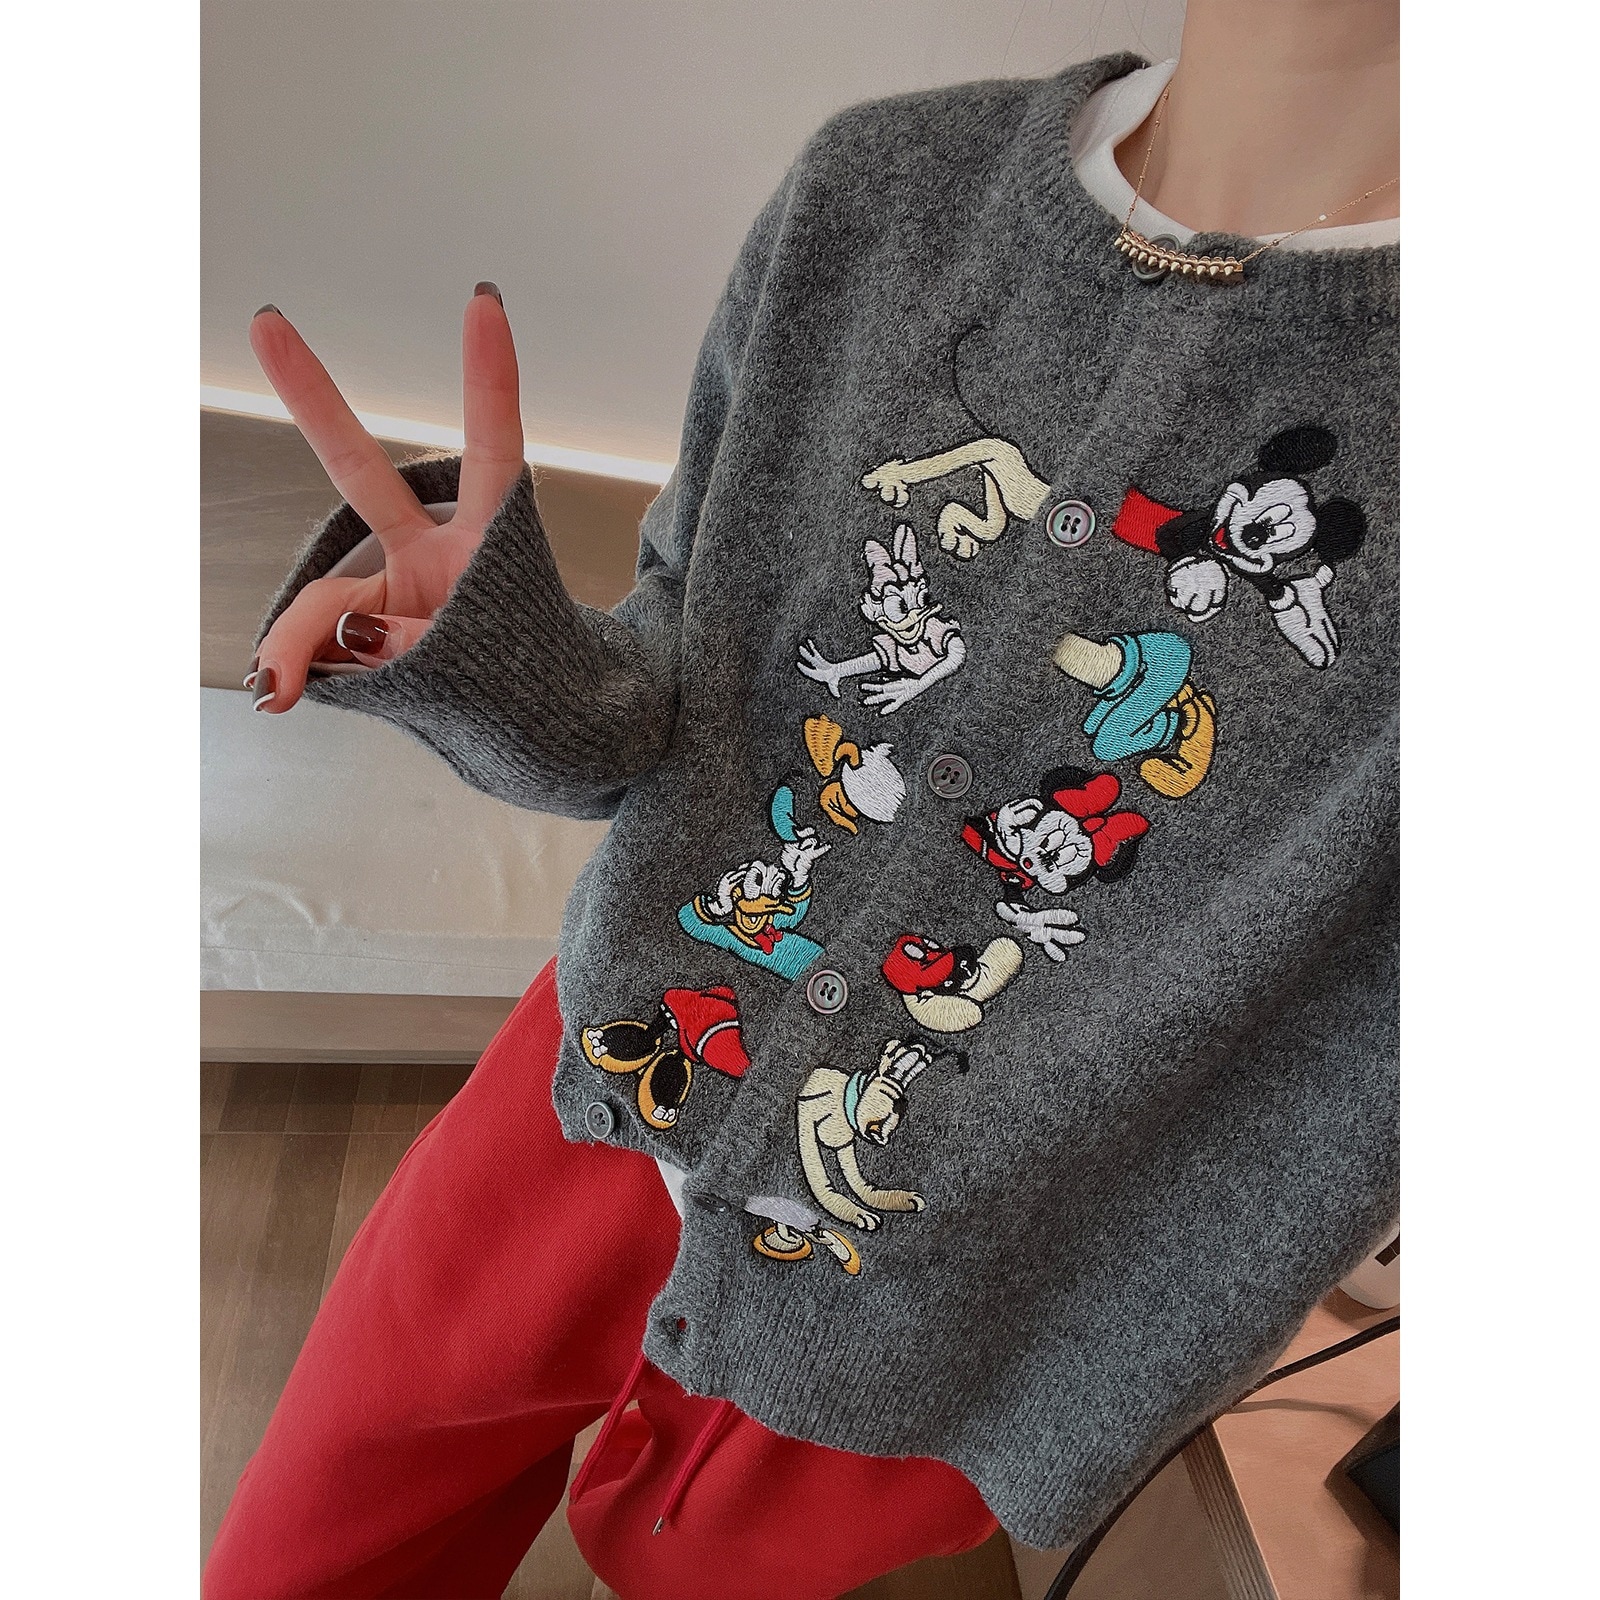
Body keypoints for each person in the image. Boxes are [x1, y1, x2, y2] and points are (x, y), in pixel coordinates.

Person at [206, 2, 1399, 1595]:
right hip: (600, 1086)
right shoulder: (886, 192)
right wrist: (489, 655)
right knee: (303, 1554)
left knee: (683, 1572)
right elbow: (664, 709)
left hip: (981, 1268)